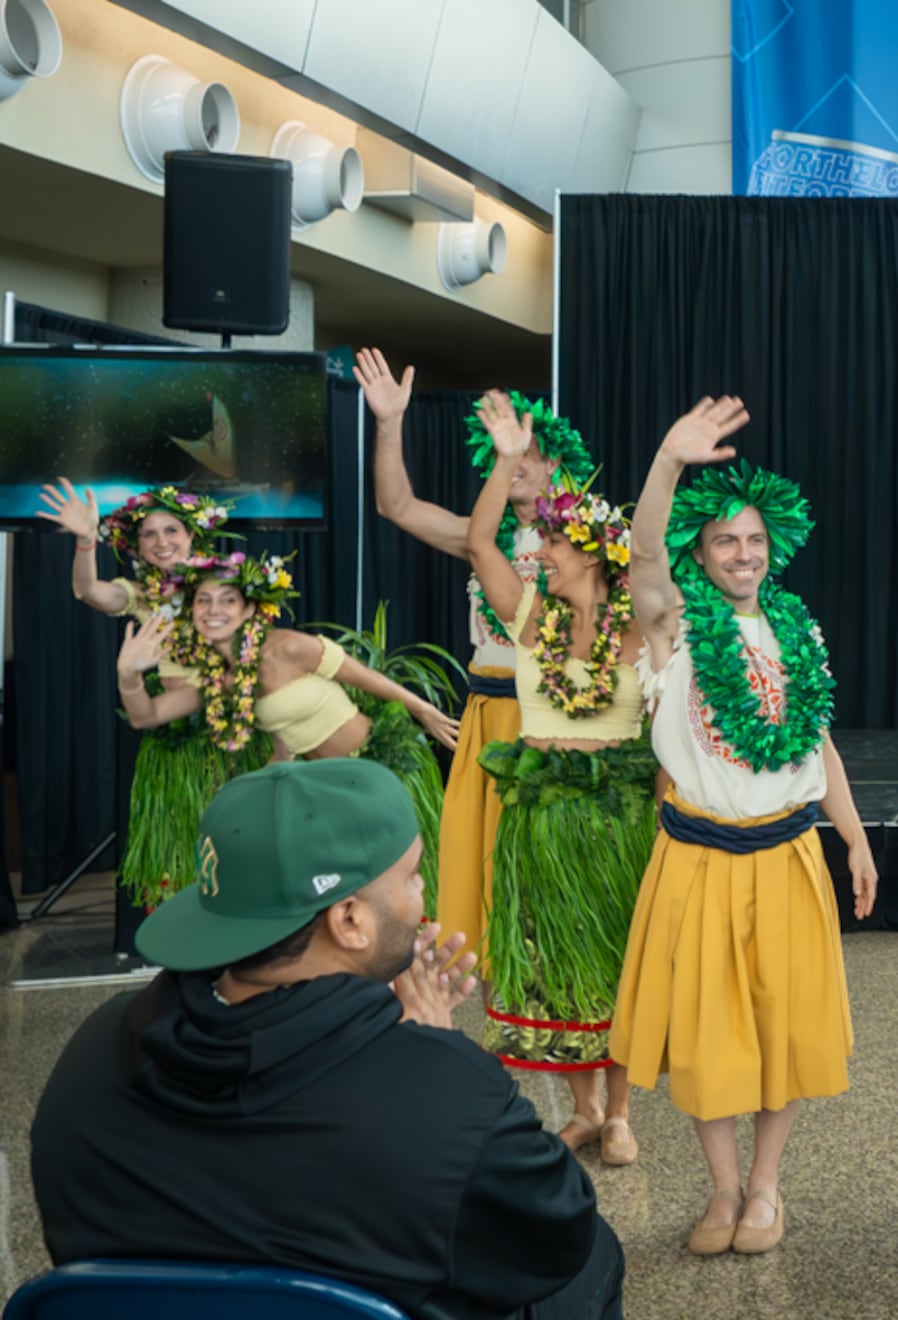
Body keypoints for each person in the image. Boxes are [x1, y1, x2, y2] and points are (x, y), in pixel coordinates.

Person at [29, 760, 625, 1320]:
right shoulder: (441, 1097)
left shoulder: (93, 1052)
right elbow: (557, 1237)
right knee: (596, 1253)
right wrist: (440, 1053)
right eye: (412, 875)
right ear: (349, 919)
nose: (423, 896)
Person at [613, 403, 881, 1257]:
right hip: (699, 859)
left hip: (789, 852)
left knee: (784, 1029)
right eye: (725, 541)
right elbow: (643, 551)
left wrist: (854, 836)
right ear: (702, 553)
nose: (743, 554)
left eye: (754, 540)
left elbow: (818, 743)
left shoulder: (796, 628)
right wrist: (667, 458)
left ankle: (766, 1187)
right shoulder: (673, 625)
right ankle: (723, 1191)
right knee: (707, 1034)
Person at [464, 390, 655, 1164]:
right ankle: (580, 1108)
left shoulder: (640, 625)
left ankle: (621, 1114)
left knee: (616, 953)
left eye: (551, 544)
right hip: (541, 813)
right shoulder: (529, 619)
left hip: (617, 814)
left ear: (591, 553)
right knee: (552, 954)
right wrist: (509, 455)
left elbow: (653, 559)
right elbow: (480, 539)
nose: (536, 553)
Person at [356, 349, 587, 963]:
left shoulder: (590, 540)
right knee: (483, 856)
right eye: (502, 455)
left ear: (554, 459)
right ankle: (499, 983)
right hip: (487, 710)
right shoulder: (484, 540)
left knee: (540, 857)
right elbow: (397, 506)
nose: (514, 465)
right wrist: (388, 422)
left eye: (526, 452)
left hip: (549, 715)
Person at [115, 553, 460, 883]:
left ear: (249, 609)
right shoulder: (221, 681)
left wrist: (423, 710)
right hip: (329, 787)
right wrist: (128, 675)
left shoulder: (287, 647)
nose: (213, 610)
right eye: (203, 600)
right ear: (191, 611)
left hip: (383, 773)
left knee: (417, 882)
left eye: (227, 600)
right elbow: (147, 716)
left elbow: (368, 680)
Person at [37, 481, 253, 911]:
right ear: (136, 547)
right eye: (149, 535)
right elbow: (90, 592)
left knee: (241, 850)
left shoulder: (232, 589)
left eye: (171, 531)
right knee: (179, 855)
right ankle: (186, 966)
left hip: (238, 736)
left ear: (193, 535)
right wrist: (85, 541)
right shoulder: (144, 596)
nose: (161, 542)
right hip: (174, 742)